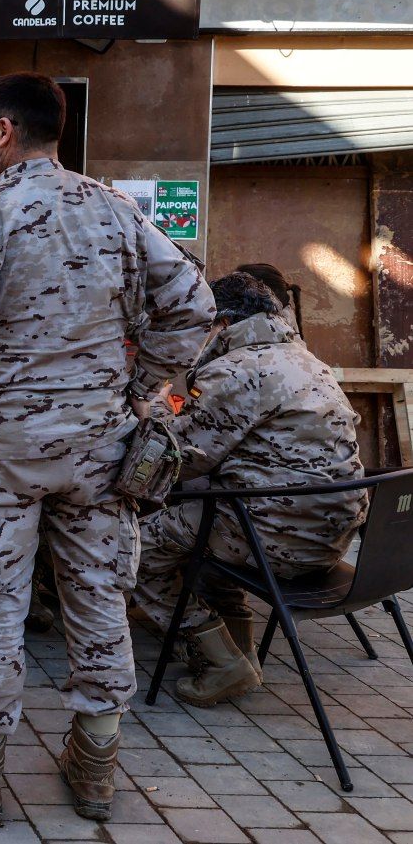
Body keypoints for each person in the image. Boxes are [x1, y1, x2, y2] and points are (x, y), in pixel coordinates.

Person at [0, 72, 214, 826]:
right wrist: (137, 390)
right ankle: (95, 767)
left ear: (4, 131)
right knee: (99, 601)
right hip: (97, 451)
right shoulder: (117, 210)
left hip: (0, 449)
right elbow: (196, 306)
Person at [130, 271, 366, 706]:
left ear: (221, 324)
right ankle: (236, 650)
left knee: (129, 553)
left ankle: (222, 661)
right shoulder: (305, 360)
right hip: (328, 536)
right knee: (205, 535)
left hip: (274, 536)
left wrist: (150, 411)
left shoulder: (239, 370)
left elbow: (177, 459)